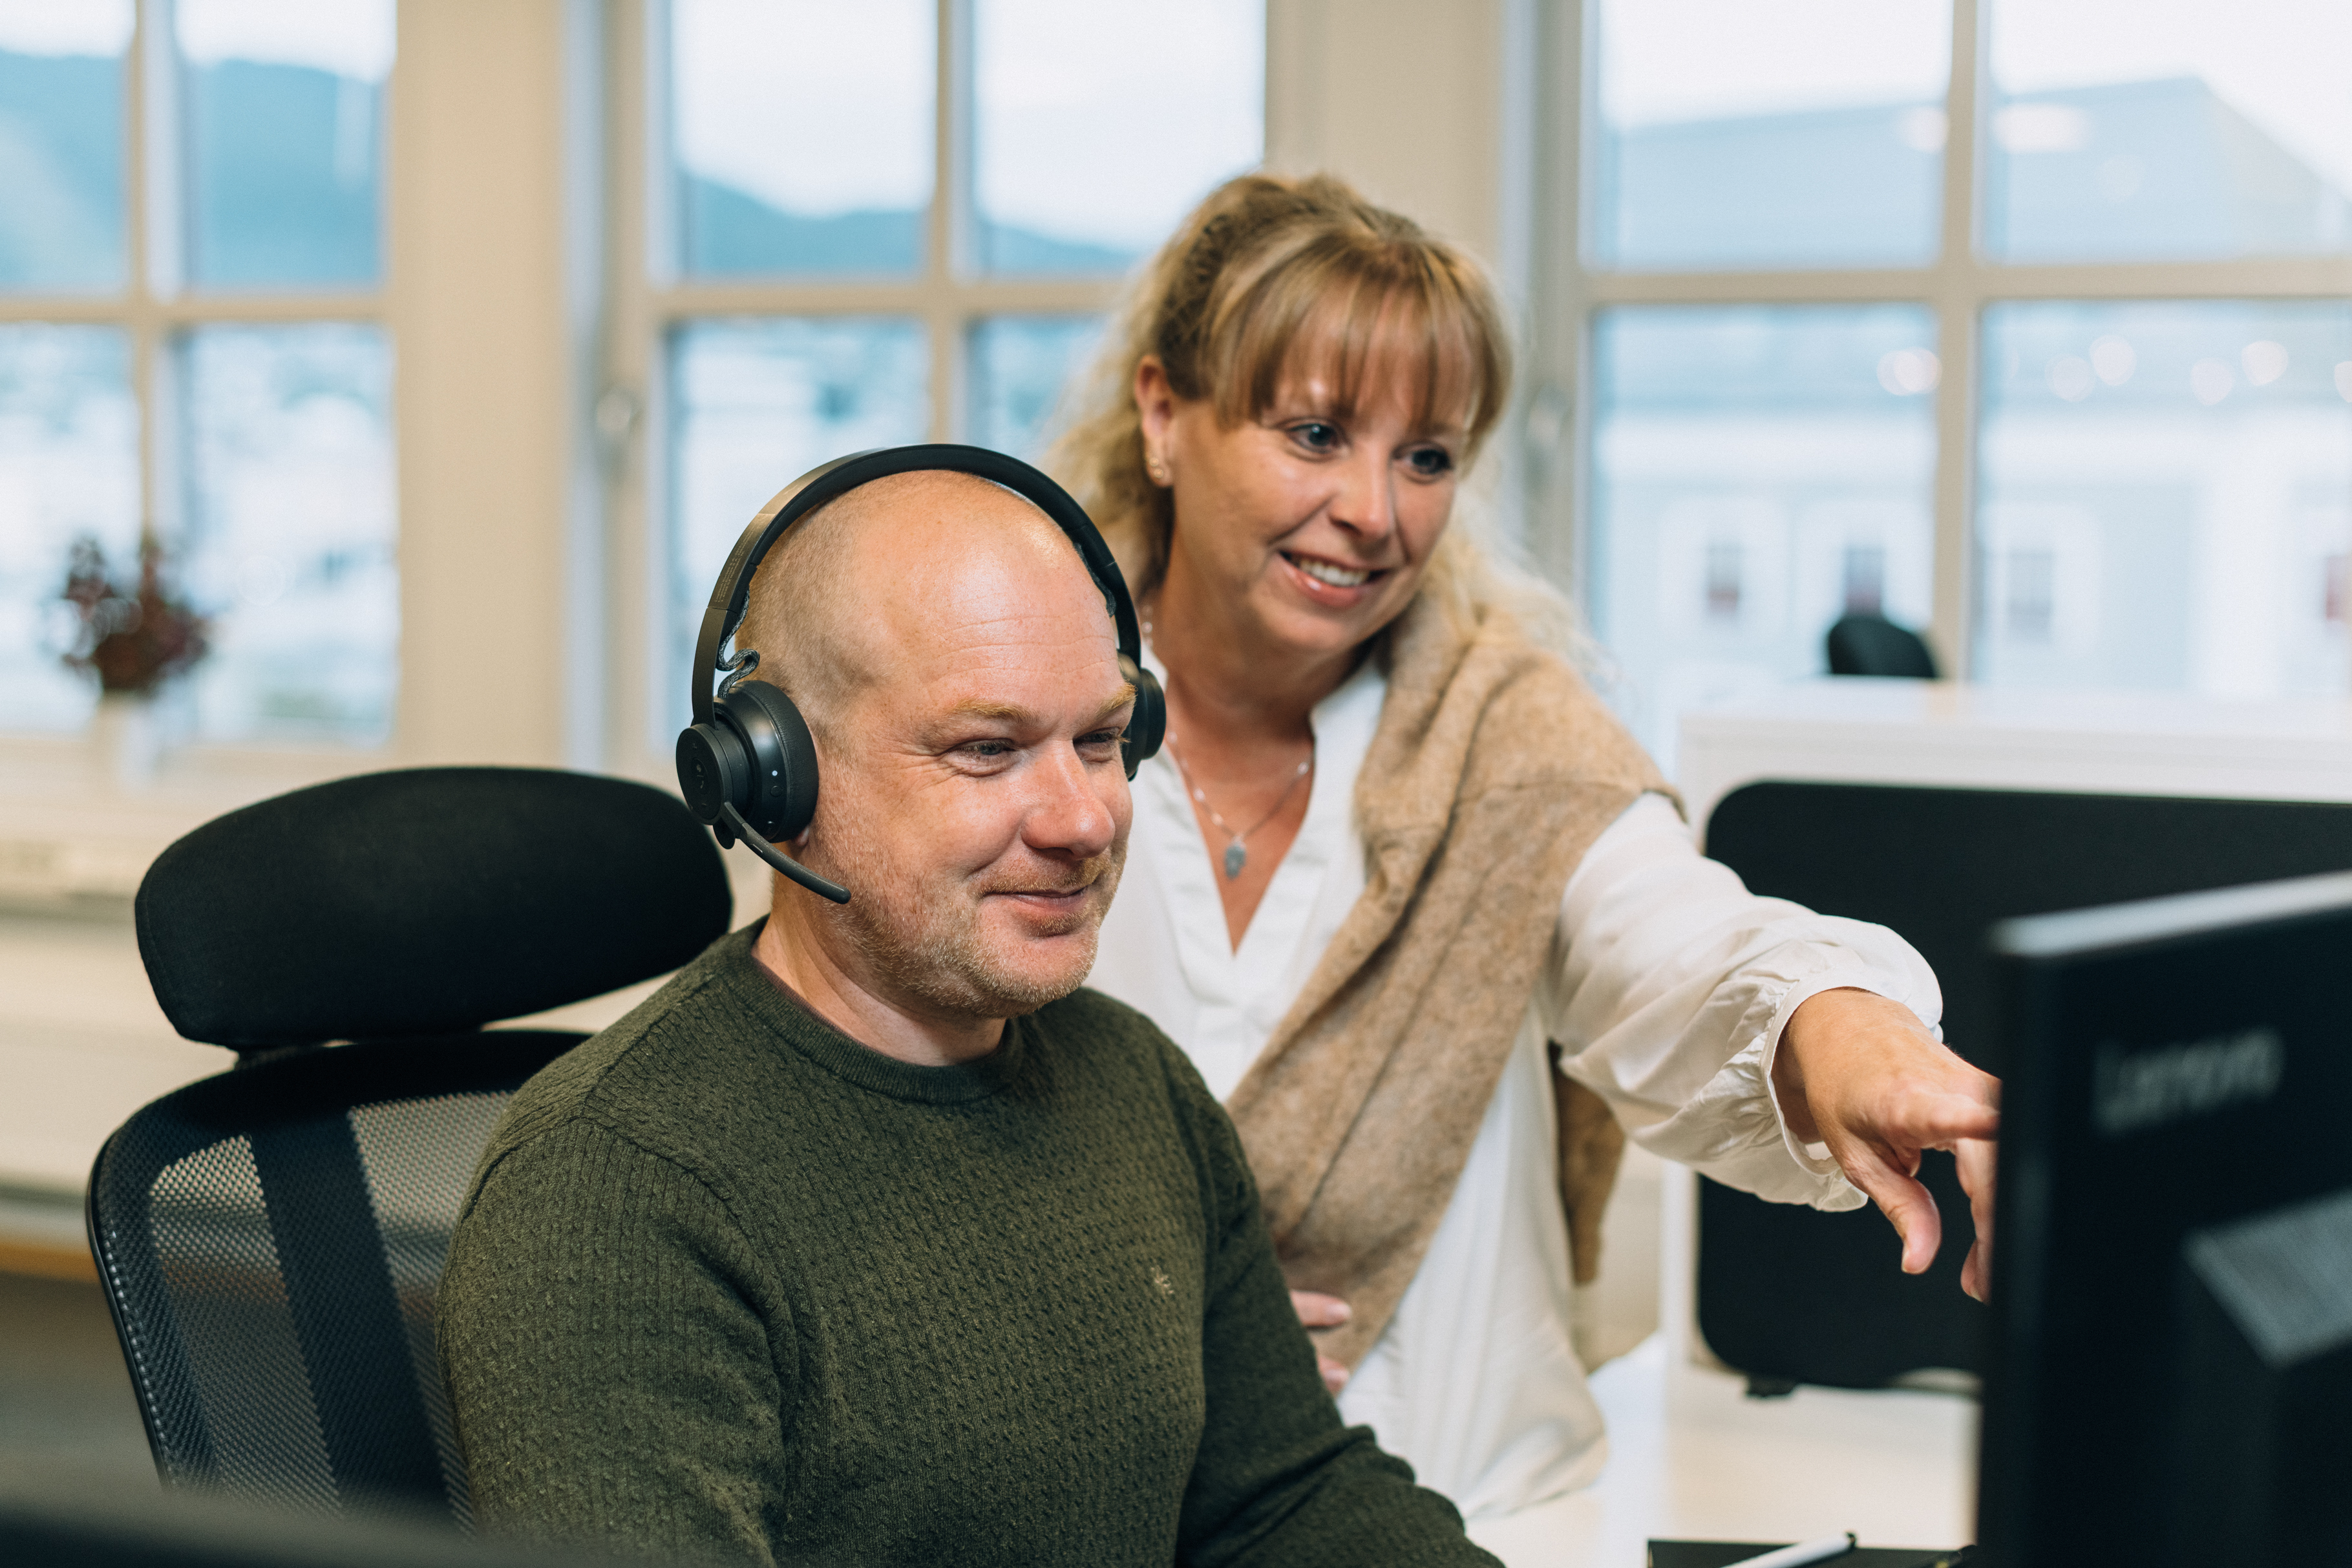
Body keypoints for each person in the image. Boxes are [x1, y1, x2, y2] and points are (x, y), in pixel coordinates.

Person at [1046, 172, 2001, 1520]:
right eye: (1313, 432)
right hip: (1084, 1517)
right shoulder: (1013, 740)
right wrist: (1129, 1337)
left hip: (1475, 1513)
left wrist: (1842, 1033)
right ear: (1161, 414)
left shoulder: (1504, 741)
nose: (1373, 512)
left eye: (1425, 455)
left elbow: (1680, 948)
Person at [436, 465, 1502, 1568]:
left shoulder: (1133, 1079)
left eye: (1101, 739)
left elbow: (1280, 1500)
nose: (1085, 818)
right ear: (778, 781)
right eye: (987, 751)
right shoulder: (617, 1192)